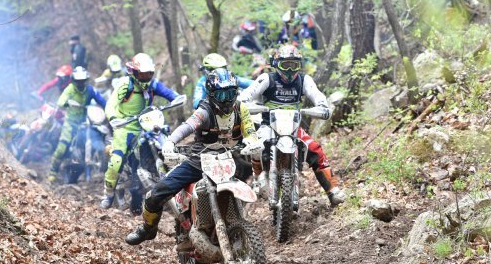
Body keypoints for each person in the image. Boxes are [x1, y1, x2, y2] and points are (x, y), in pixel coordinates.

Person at [125, 68, 263, 245]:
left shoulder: (241, 108)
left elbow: (250, 131)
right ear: (212, 94)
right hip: (199, 160)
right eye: (221, 95)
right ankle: (147, 228)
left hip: (228, 159)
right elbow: (188, 126)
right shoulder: (204, 111)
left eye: (231, 93)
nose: (227, 99)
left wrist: (252, 142)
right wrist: (170, 142)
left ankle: (233, 226)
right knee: (156, 194)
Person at [239, 44, 345, 206]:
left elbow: (316, 95)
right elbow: (247, 94)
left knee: (315, 148)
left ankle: (332, 191)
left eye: (293, 64)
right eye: (285, 64)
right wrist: (243, 104)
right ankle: (257, 175)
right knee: (256, 146)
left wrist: (323, 106)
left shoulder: (304, 80)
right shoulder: (267, 79)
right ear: (276, 64)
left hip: (293, 127)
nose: (289, 69)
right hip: (269, 125)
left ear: (299, 65)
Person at [100, 53, 180, 210]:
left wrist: (177, 98)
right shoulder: (125, 85)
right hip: (126, 126)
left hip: (148, 124)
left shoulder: (153, 84)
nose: (146, 77)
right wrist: (114, 117)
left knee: (168, 144)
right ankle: (108, 194)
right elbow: (111, 104)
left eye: (149, 73)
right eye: (142, 74)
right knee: (117, 160)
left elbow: (170, 94)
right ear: (135, 73)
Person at [48, 66, 106, 183]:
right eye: (78, 81)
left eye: (82, 81)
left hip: (85, 122)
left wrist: (108, 108)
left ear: (86, 80)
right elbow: (61, 101)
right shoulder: (70, 89)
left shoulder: (90, 90)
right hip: (70, 123)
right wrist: (67, 102)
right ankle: (53, 171)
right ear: (74, 80)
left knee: (100, 135)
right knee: (62, 147)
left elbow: (102, 100)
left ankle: (100, 168)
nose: (80, 83)